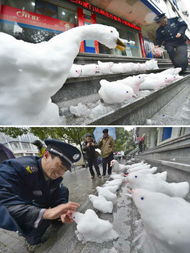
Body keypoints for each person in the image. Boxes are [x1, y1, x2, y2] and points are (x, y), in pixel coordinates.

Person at [0, 138, 81, 252]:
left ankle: (54, 218)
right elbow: (3, 201)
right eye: (60, 166)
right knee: (35, 237)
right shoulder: (17, 168)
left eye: (65, 170)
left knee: (63, 189)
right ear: (46, 155)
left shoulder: (53, 174)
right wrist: (45, 213)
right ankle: (32, 239)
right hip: (27, 213)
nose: (61, 173)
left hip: (41, 203)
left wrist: (62, 210)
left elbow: (57, 192)